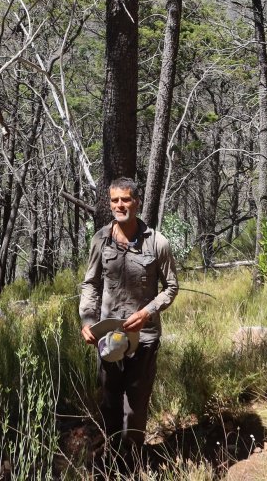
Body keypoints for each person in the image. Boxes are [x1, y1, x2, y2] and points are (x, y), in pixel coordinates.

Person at [80, 177, 178, 458]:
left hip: (144, 338)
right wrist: (88, 321)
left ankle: (132, 459)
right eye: (115, 200)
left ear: (137, 202)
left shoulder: (158, 243)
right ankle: (110, 458)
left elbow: (171, 287)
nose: (120, 205)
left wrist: (147, 311)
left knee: (135, 405)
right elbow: (91, 284)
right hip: (109, 336)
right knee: (110, 401)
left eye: (125, 199)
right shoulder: (101, 239)